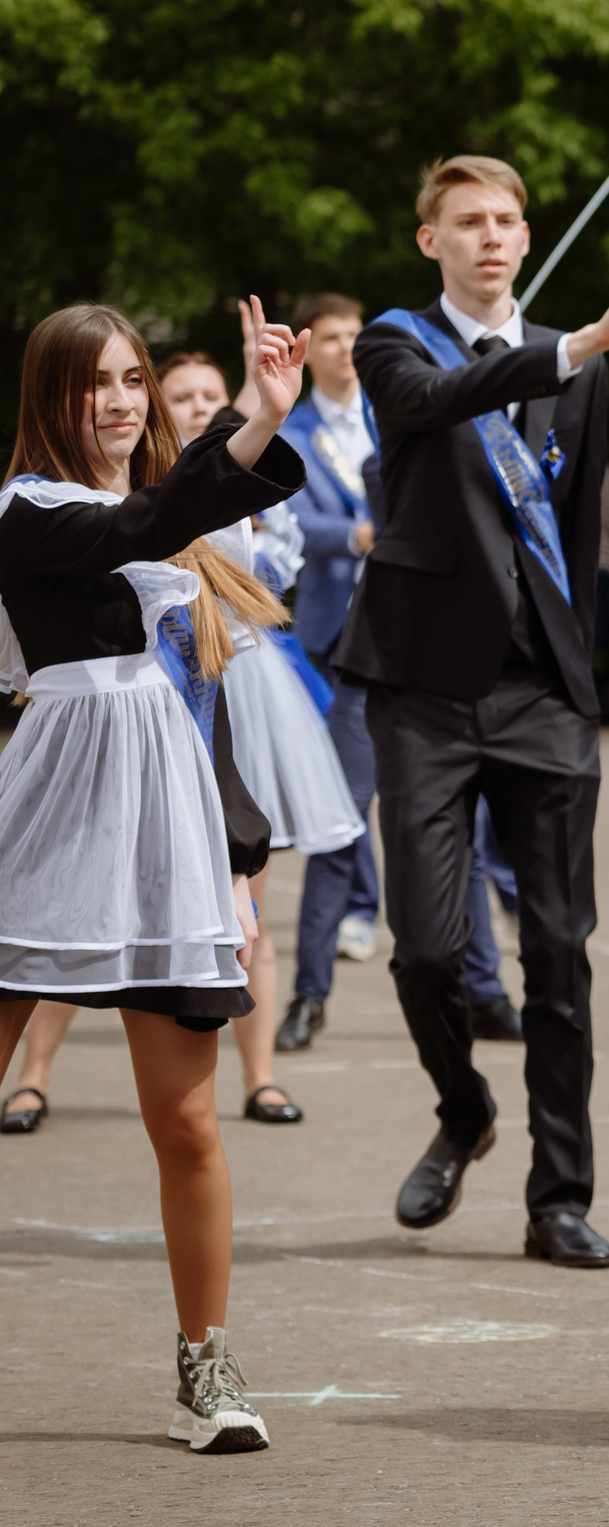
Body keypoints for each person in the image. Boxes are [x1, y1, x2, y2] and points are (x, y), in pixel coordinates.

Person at [344, 153, 609, 1268]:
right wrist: (581, 340)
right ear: (428, 240)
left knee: (558, 952)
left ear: (527, 240)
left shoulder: (577, 372)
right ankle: (463, 1110)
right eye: (466, 222)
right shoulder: (396, 342)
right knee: (429, 954)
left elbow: (570, 527)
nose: (490, 238)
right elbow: (434, 406)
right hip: (425, 689)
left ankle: (559, 1196)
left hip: (541, 690)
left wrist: (578, 663)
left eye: (506, 222)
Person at [0, 299, 311, 1451]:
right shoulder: (29, 514)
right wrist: (256, 415)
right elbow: (147, 517)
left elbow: (198, 703)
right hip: (40, 822)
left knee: (187, 1120)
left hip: (165, 828)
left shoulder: (158, 528)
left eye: (134, 377)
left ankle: (206, 1368)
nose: (123, 399)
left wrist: (233, 859)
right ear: (51, 397)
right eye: (97, 382)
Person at [171, 340, 366, 1125]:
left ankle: (259, 1077)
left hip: (242, 687)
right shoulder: (140, 488)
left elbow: (272, 577)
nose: (193, 407)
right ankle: (35, 1071)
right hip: (158, 694)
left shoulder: (255, 497)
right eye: (178, 395)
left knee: (247, 891)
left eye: (206, 393)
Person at [273, 293, 385, 1052]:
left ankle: (480, 984)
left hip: (413, 636)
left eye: (356, 336)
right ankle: (313, 986)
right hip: (331, 632)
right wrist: (357, 532)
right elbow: (287, 520)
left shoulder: (393, 413)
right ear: (311, 350)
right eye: (334, 337)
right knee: (342, 799)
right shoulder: (292, 430)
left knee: (460, 815)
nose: (347, 348)